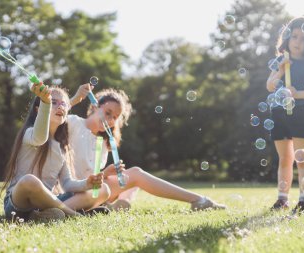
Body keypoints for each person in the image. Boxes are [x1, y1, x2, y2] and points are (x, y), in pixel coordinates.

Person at [68, 86, 227, 211]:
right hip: (72, 192)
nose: (110, 120)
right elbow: (51, 119)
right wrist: (75, 99)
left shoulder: (102, 143)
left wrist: (106, 173)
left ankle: (199, 200)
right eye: (108, 112)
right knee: (135, 175)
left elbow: (90, 176)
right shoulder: (74, 123)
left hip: (91, 190)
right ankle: (199, 200)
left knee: (134, 175)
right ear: (95, 106)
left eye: (115, 118)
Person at [0, 82, 108, 221]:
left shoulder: (62, 146)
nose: (60, 106)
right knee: (29, 181)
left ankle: (42, 215)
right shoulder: (29, 134)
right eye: (54, 102)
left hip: (45, 203)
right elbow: (40, 138)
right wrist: (45, 101)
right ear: (39, 110)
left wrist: (87, 183)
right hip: (18, 204)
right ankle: (74, 215)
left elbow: (67, 183)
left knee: (104, 189)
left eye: (63, 104)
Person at [266, 16, 304, 213]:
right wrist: (281, 69)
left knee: (302, 159)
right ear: (288, 38)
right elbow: (270, 85)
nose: (297, 42)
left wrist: (296, 93)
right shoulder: (281, 61)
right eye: (294, 36)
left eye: (303, 39)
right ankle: (282, 199)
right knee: (285, 159)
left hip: (301, 113)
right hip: (279, 113)